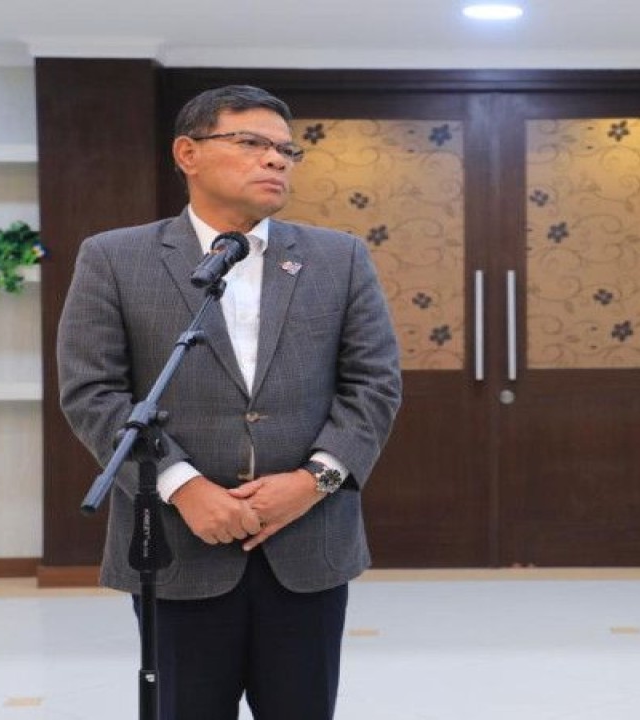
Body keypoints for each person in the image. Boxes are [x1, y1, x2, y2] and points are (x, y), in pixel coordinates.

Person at [57, 84, 402, 720]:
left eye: (286, 150)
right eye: (251, 143)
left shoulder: (339, 257)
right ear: (187, 154)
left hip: (307, 540)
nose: (276, 159)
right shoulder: (114, 257)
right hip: (178, 543)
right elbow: (93, 392)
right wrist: (184, 486)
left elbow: (374, 384)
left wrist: (314, 481)